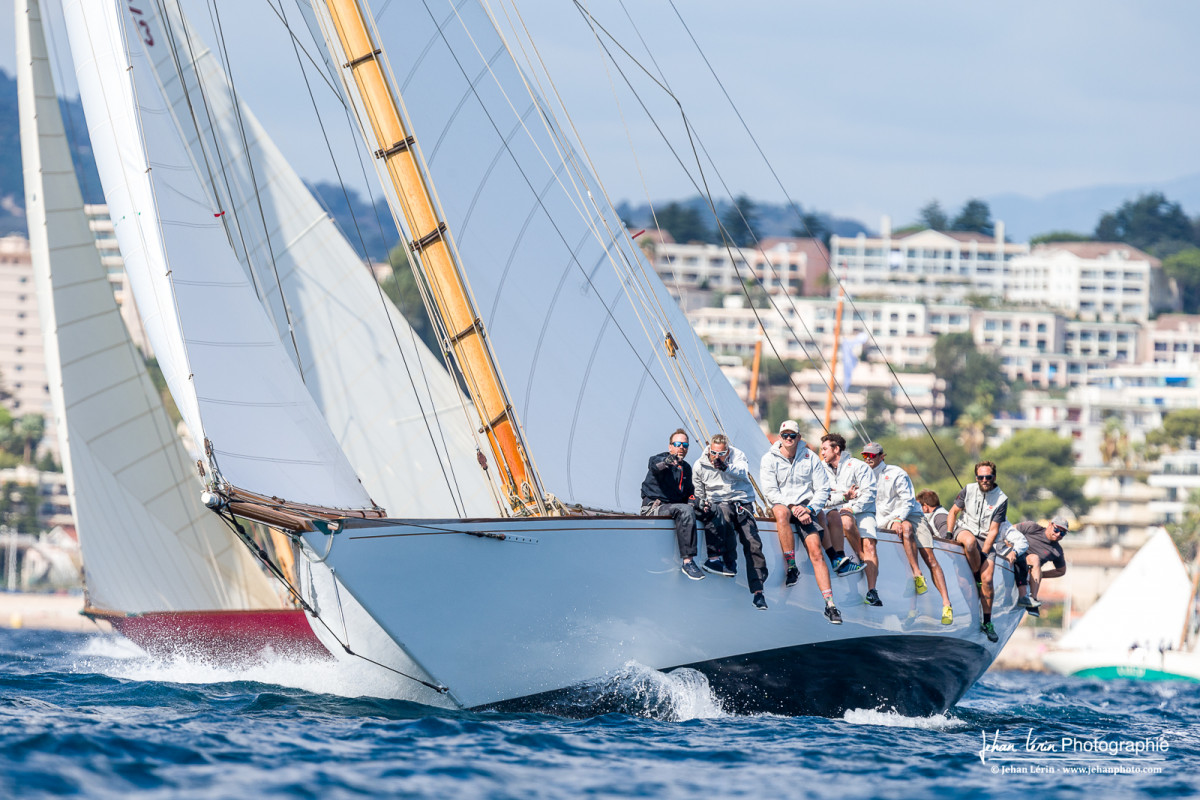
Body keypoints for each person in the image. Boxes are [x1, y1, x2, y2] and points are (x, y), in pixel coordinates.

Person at [759, 420, 843, 624]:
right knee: (780, 513)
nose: (788, 439)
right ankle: (792, 567)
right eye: (785, 435)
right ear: (779, 437)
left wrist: (810, 509)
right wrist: (793, 507)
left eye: (792, 435)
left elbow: (823, 489)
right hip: (784, 504)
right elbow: (770, 491)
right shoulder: (769, 459)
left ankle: (830, 605)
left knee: (815, 551)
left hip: (806, 507)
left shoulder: (810, 457)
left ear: (799, 438)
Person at [865, 443, 953, 625]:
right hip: (885, 519)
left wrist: (898, 518)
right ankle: (915, 586)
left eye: (872, 455)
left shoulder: (896, 473)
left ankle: (946, 603)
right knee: (904, 534)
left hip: (911, 515)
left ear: (882, 456)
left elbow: (907, 502)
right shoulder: (863, 475)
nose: (868, 458)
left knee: (929, 557)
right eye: (865, 455)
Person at [693, 434, 770, 609]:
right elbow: (699, 492)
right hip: (719, 503)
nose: (717, 456)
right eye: (714, 453)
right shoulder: (700, 465)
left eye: (721, 453)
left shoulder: (738, 456)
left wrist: (726, 467)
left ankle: (758, 591)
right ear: (709, 450)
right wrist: (702, 505)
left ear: (728, 451)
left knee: (753, 543)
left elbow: (743, 472)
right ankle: (729, 564)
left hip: (741, 502)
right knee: (724, 514)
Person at [946, 461, 1008, 642]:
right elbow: (953, 512)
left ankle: (987, 622)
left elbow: (994, 530)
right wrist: (949, 535)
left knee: (987, 580)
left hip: (987, 539)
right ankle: (975, 579)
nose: (984, 480)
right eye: (981, 477)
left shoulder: (1001, 499)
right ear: (976, 478)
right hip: (965, 531)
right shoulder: (968, 489)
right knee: (970, 542)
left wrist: (984, 555)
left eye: (988, 477)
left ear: (994, 477)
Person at [641, 428, 703, 580]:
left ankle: (716, 559)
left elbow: (689, 493)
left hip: (675, 508)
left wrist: (697, 502)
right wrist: (667, 461)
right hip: (654, 508)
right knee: (685, 510)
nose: (681, 447)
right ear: (670, 447)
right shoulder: (659, 459)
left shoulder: (686, 468)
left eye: (685, 445)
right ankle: (688, 562)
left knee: (713, 510)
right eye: (677, 443)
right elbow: (655, 467)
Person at [818, 433, 872, 586]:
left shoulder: (858, 466)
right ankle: (842, 560)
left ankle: (861, 558)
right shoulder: (819, 468)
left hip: (856, 509)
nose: (822, 453)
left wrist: (851, 508)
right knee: (834, 517)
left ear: (836, 449)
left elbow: (869, 493)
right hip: (830, 508)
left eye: (825, 449)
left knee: (847, 522)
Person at [1012, 516, 1070, 610]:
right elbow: (1009, 531)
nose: (1058, 534)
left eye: (1063, 533)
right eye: (1056, 530)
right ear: (1050, 525)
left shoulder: (1057, 551)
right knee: (1034, 558)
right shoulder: (1032, 527)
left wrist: (1039, 574)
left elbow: (1061, 571)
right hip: (1012, 558)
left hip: (1026, 570)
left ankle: (1032, 599)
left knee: (1034, 558)